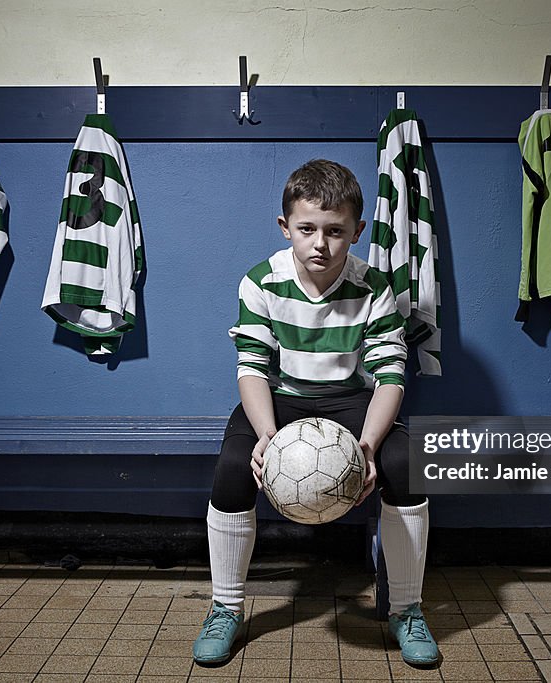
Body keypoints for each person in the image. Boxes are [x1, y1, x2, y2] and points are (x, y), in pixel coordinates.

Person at [192, 159, 439, 668]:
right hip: (279, 399)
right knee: (233, 469)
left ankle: (407, 608)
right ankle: (226, 607)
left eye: (335, 231)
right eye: (306, 229)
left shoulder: (375, 287)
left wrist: (366, 448)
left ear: (357, 232)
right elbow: (252, 370)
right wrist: (266, 437)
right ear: (286, 228)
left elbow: (391, 376)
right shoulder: (260, 282)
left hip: (351, 402)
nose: (320, 244)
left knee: (408, 464)